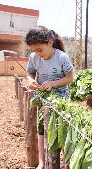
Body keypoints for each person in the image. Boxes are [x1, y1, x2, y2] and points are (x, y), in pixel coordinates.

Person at [25, 26, 74, 169]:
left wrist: (52, 84)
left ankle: (67, 163)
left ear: (50, 42)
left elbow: (70, 78)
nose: (37, 53)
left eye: (39, 49)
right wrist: (31, 81)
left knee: (63, 131)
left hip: (62, 102)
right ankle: (41, 162)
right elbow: (30, 73)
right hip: (43, 100)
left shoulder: (62, 57)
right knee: (42, 129)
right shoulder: (34, 58)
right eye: (34, 50)